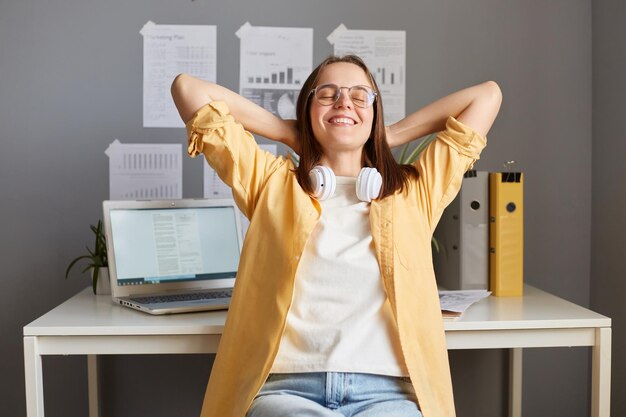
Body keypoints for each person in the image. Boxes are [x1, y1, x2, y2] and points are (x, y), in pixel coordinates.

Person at [171, 54, 501, 417]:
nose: (345, 102)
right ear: (307, 109)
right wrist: (288, 132)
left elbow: (486, 96)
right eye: (328, 95)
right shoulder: (269, 182)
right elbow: (189, 89)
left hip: (388, 396)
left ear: (375, 112)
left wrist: (387, 134)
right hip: (286, 392)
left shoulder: (414, 191)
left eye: (361, 96)